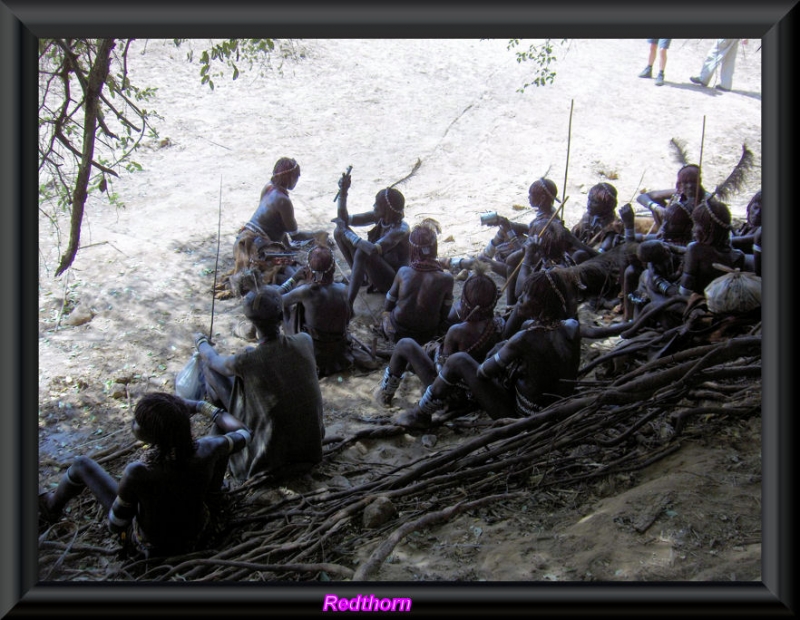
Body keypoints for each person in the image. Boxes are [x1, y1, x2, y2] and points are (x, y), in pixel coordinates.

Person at [39, 392, 252, 558]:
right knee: (221, 446)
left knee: (81, 464)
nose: (134, 423)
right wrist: (199, 406)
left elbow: (116, 525)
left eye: (138, 422)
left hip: (153, 547)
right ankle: (215, 495)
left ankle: (50, 506)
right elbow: (244, 432)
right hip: (200, 532)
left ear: (153, 436)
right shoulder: (209, 448)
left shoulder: (139, 472)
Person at [395, 269, 581, 430]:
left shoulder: (523, 339)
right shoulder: (572, 327)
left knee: (458, 360)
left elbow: (484, 373)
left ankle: (420, 415)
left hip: (524, 417)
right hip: (559, 408)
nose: (520, 299)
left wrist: (500, 352)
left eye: (525, 296)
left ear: (541, 305)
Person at [194, 285, 325, 483]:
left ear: (250, 322)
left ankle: (226, 423)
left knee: (209, 369)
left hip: (267, 459)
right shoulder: (304, 340)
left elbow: (212, 360)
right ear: (281, 316)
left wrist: (201, 341)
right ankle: (226, 421)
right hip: (310, 449)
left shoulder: (245, 361)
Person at [374, 265, 504, 408]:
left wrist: (435, 349)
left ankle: (386, 394)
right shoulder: (499, 324)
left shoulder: (457, 331)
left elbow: (444, 370)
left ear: (464, 302)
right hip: (477, 391)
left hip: (450, 393)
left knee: (405, 344)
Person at [231, 157, 321, 286]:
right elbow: (295, 235)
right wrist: (317, 234)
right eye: (296, 177)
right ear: (289, 177)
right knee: (295, 271)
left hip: (242, 241)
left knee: (289, 263)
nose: (297, 181)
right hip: (255, 250)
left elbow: (277, 224)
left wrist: (288, 246)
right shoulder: (283, 201)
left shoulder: (268, 187)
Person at [332, 171, 410, 313]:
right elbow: (343, 219)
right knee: (338, 232)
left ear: (386, 210)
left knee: (362, 251)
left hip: (392, 282)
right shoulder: (381, 217)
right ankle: (361, 278)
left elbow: (372, 250)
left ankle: (349, 304)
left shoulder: (400, 229)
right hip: (376, 272)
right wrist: (343, 193)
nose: (373, 206)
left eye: (377, 205)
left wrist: (347, 232)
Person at [279, 243, 355, 377]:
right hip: (339, 354)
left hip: (315, 355)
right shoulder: (343, 289)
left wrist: (293, 278)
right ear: (332, 269)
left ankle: (288, 337)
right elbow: (350, 317)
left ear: (309, 269)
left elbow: (275, 299)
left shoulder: (306, 292)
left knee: (289, 307)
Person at [380, 222, 454, 346]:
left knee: (386, 315)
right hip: (427, 335)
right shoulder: (446, 279)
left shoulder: (403, 272)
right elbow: (444, 314)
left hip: (398, 332)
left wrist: (387, 315)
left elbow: (389, 303)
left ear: (412, 249)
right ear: (434, 247)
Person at [570, 182, 626, 262]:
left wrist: (574, 242)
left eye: (595, 202)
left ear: (607, 206)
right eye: (589, 199)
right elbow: (574, 234)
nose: (589, 204)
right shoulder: (588, 217)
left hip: (599, 265)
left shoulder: (614, 227)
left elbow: (600, 255)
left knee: (579, 255)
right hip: (582, 257)